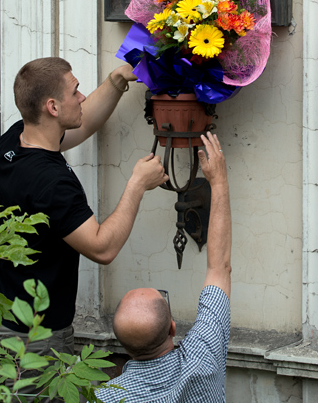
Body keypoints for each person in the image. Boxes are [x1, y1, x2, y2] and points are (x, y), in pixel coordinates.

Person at [0, 57, 167, 389]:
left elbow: (80, 124)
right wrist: (138, 184)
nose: (81, 97)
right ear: (52, 106)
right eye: (75, 91)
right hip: (33, 336)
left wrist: (118, 80)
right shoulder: (51, 183)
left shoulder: (13, 142)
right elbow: (101, 247)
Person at [98, 130, 231, 403]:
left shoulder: (105, 398)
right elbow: (219, 268)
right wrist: (218, 182)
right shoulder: (203, 357)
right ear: (172, 328)